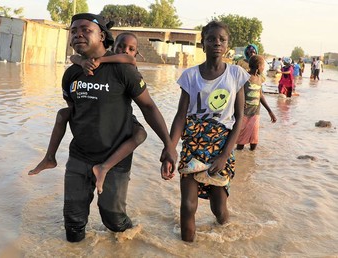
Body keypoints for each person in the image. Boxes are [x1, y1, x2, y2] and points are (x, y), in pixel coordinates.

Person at [59, 13, 177, 243]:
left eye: (85, 29)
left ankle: (132, 245)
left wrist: (169, 146)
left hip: (115, 156)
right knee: (72, 223)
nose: (77, 34)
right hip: (79, 156)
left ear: (102, 35)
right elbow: (73, 110)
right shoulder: (71, 73)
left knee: (113, 219)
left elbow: (149, 107)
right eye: (73, 31)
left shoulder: (123, 71)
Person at [161, 20, 249, 242]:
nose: (217, 43)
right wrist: (170, 149)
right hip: (193, 143)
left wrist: (224, 155)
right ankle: (186, 249)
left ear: (228, 45)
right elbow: (181, 116)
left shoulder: (236, 74)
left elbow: (239, 119)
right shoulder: (190, 76)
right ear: (203, 44)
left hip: (221, 144)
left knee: (218, 208)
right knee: (187, 205)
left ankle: (225, 236)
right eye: (211, 39)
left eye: (222, 39)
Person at [29, 32, 145, 196]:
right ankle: (49, 157)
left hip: (121, 116)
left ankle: (105, 166)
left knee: (141, 134)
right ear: (113, 47)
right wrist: (82, 60)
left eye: (131, 49)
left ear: (136, 53)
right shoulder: (89, 67)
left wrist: (99, 60)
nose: (125, 51)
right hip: (98, 116)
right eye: (121, 46)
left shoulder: (127, 65)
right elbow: (72, 58)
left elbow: (129, 59)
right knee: (63, 114)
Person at [236, 55, 277, 151]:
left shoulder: (259, 78)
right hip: (244, 113)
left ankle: (251, 158)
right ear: (259, 66)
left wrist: (270, 111)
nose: (264, 68)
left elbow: (260, 95)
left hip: (255, 113)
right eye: (263, 65)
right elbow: (237, 91)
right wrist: (240, 104)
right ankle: (240, 158)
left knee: (254, 139)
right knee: (241, 141)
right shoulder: (245, 77)